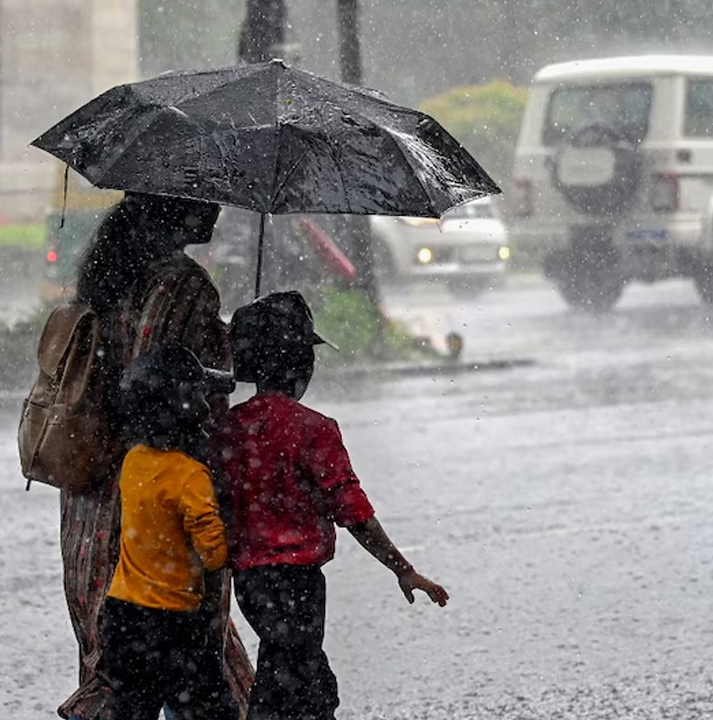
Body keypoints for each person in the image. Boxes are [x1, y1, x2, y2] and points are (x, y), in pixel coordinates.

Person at [59, 192, 253, 720]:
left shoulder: (106, 274)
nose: (219, 209)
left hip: (96, 489)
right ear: (176, 206)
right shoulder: (184, 284)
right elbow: (184, 388)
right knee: (194, 644)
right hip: (160, 490)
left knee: (115, 650)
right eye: (207, 197)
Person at [214, 291, 451, 720]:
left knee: (287, 668)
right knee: (300, 680)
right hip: (299, 583)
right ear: (303, 366)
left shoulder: (229, 428)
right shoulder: (314, 430)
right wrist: (402, 568)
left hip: (249, 582)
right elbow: (353, 512)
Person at [99, 341, 241, 720]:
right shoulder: (190, 476)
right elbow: (214, 554)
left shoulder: (133, 461)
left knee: (132, 709)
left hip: (122, 617)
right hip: (174, 625)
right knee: (212, 711)